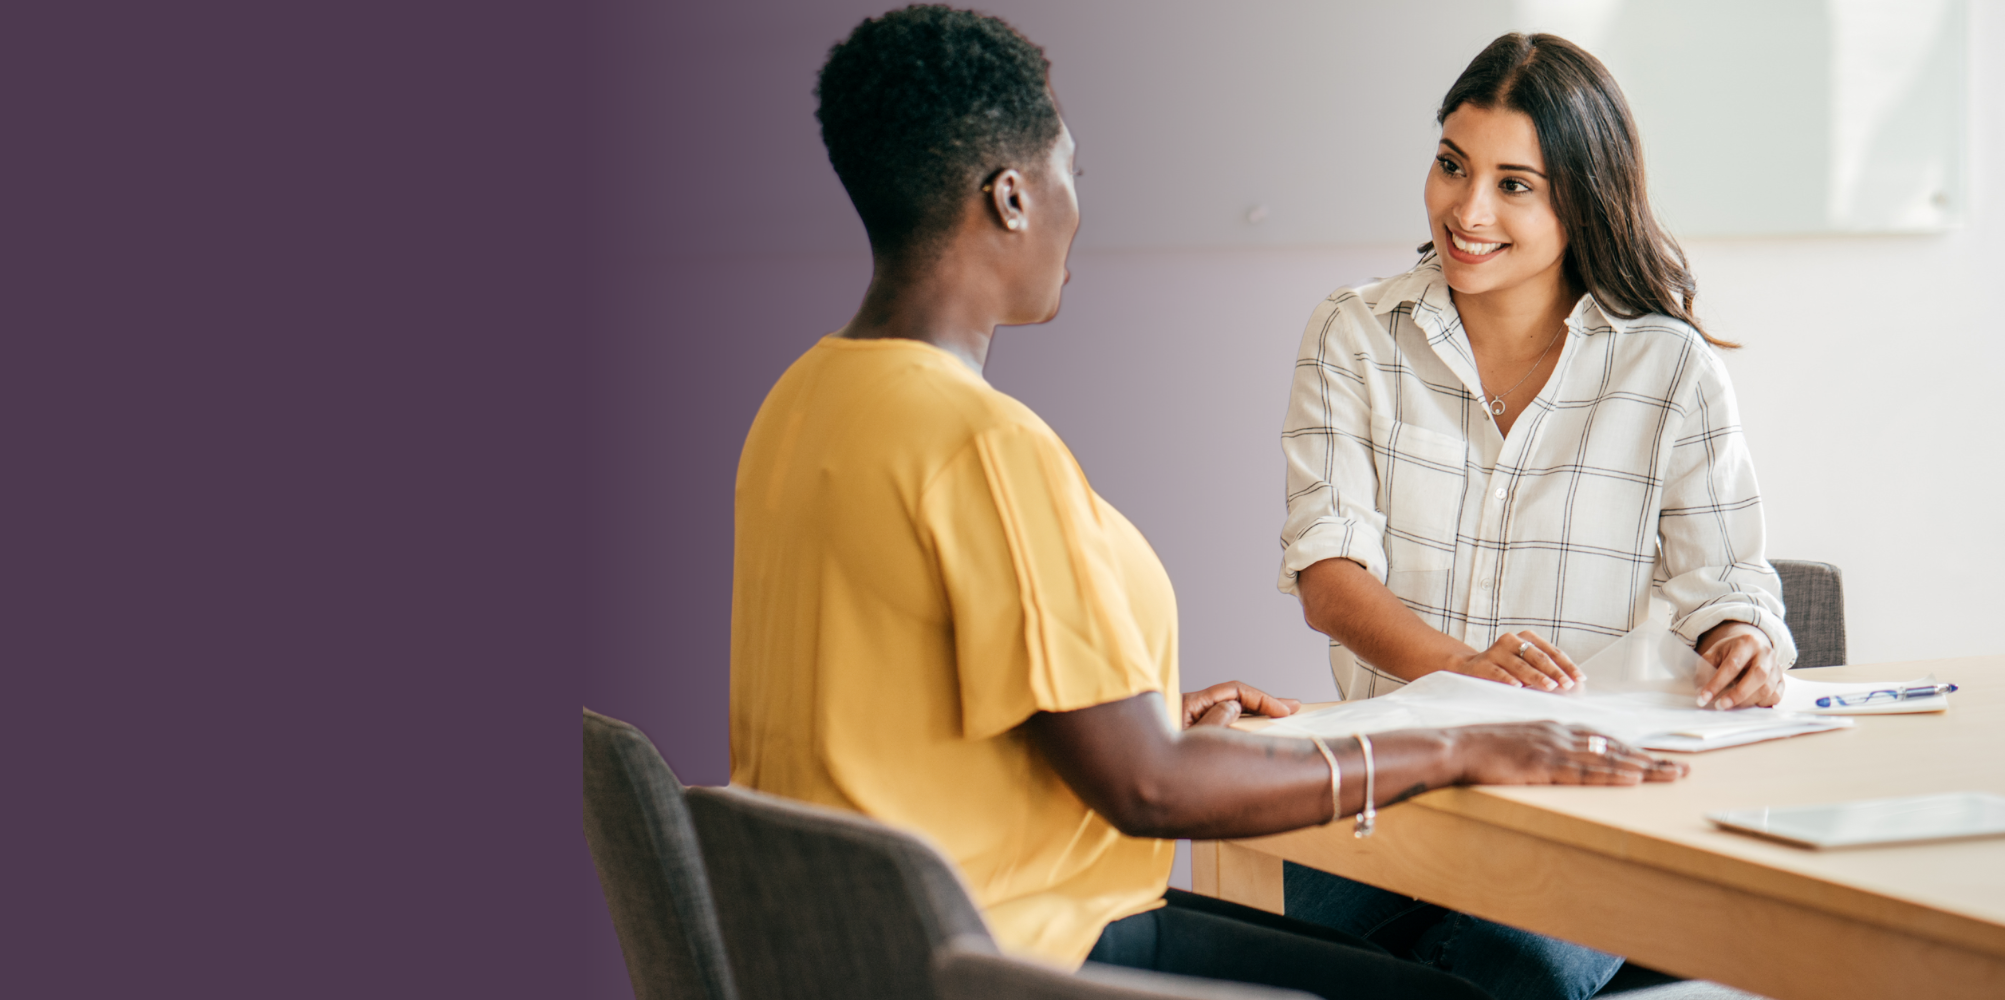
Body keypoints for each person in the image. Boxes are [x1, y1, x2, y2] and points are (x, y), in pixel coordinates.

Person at [732, 9, 1685, 1000]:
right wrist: (1456, 740)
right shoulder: (981, 446)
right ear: (1011, 197)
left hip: (856, 944)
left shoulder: (802, 402)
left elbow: (894, 699)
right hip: (1015, 951)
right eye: (1071, 172)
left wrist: (1138, 709)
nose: (1076, 203)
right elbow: (1147, 789)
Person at [1273, 33, 1794, 1000]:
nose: (1467, 211)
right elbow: (1329, 577)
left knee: (1507, 973)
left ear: (1582, 199)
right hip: (1390, 792)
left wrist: (1740, 638)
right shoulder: (1353, 333)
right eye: (1452, 166)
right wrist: (1466, 675)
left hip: (1587, 802)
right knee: (1300, 965)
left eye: (1517, 184)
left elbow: (1725, 580)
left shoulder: (1670, 368)